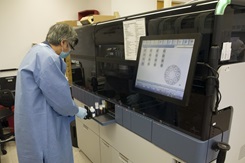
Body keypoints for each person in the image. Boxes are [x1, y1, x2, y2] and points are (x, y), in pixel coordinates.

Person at [14, 23, 89, 163]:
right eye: (70, 48)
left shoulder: (35, 50)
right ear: (63, 42)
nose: (69, 52)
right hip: (43, 123)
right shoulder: (49, 58)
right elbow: (60, 99)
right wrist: (75, 110)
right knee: (52, 155)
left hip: (30, 119)